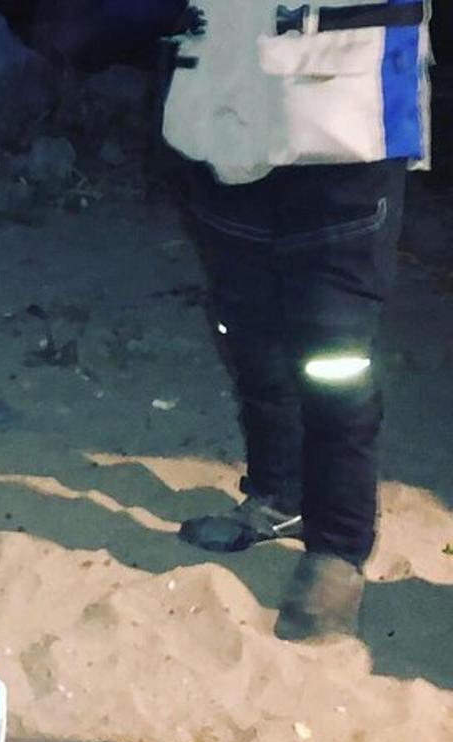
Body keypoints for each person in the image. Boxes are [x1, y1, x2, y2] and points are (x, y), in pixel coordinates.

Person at [59, 0, 432, 640]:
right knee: (248, 334)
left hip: (344, 122)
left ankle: (337, 548)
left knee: (334, 355)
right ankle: (278, 496)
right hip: (221, 118)